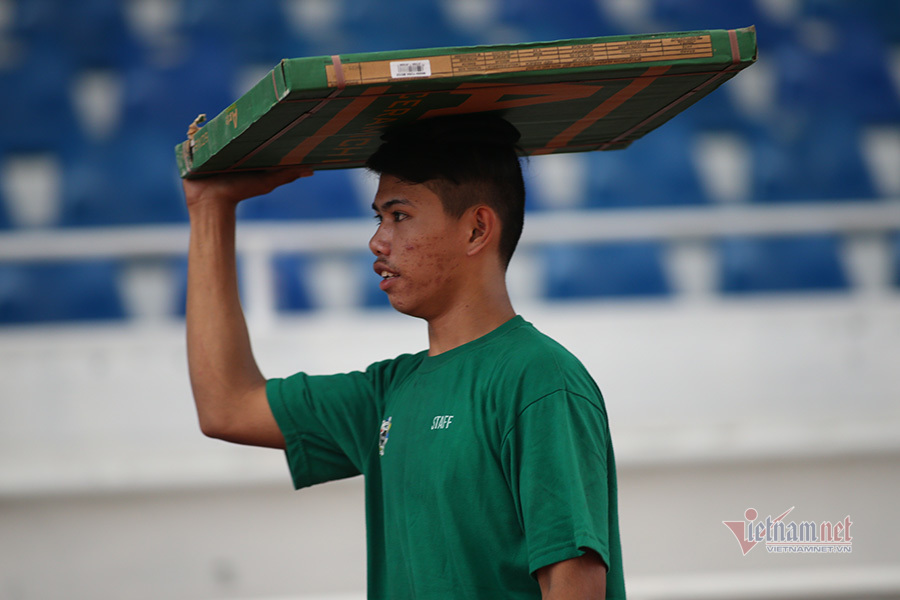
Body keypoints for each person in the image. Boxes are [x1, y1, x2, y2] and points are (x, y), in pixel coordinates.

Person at [184, 114, 625, 599]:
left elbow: (574, 586)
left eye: (399, 215)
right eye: (379, 218)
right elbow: (227, 405)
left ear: (477, 229)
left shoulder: (537, 378)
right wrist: (211, 207)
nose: (377, 241)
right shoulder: (390, 392)